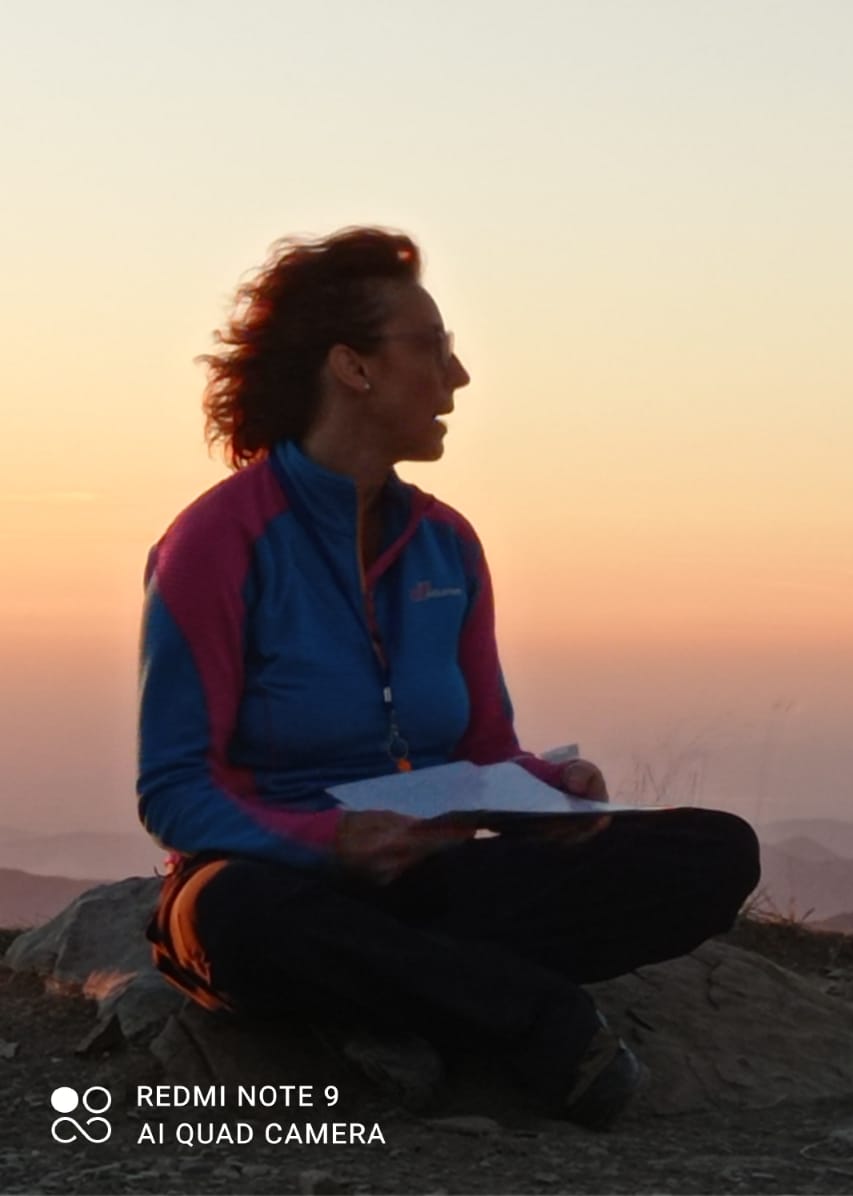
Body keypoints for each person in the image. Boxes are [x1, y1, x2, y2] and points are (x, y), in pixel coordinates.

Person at [138, 226, 761, 1130]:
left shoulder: (445, 542)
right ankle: (535, 1018)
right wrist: (331, 843)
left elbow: (483, 750)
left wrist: (553, 794)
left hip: (427, 874)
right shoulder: (217, 544)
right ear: (353, 368)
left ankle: (424, 989)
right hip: (269, 879)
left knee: (714, 849)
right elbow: (175, 794)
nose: (459, 379)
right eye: (432, 349)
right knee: (240, 923)